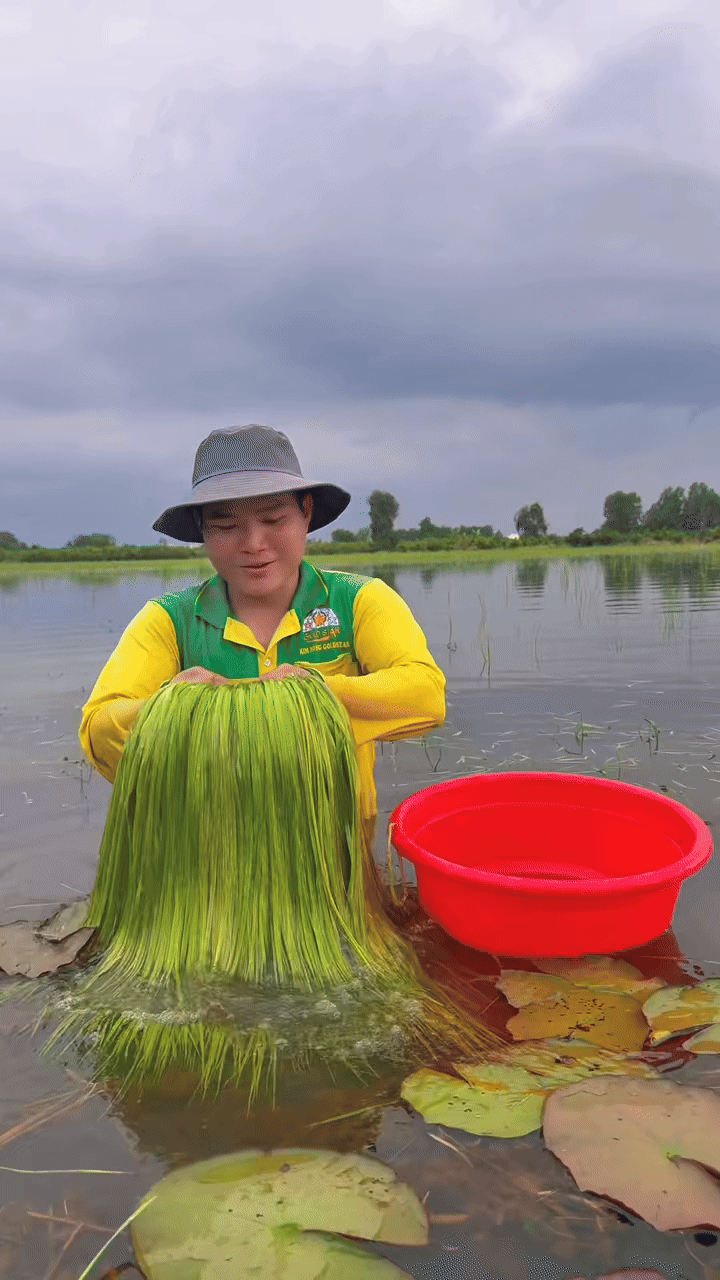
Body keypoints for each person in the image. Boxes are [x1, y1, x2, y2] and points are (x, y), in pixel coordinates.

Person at [79, 424, 447, 856]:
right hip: (209, 857)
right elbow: (99, 729)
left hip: (333, 855)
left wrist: (311, 694)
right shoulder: (167, 621)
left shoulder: (360, 601)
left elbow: (425, 695)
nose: (253, 544)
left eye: (274, 520)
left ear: (306, 512)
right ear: (202, 529)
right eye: (226, 525)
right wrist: (174, 708)